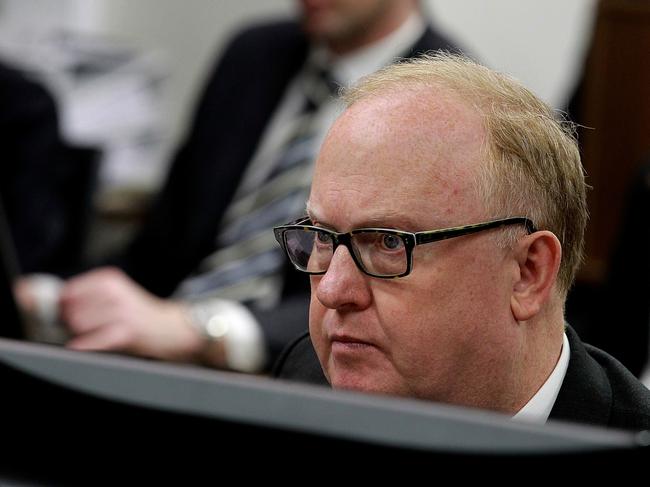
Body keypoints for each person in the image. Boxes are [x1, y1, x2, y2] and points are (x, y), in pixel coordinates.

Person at [25, 1, 459, 372]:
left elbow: (401, 313)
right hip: (151, 351)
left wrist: (203, 330)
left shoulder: (445, 99)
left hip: (286, 373)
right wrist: (53, 298)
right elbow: (159, 256)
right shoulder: (255, 56)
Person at [271, 52, 650, 430]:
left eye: (389, 242)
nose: (332, 291)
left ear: (528, 273)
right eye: (322, 237)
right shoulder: (303, 382)